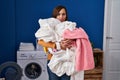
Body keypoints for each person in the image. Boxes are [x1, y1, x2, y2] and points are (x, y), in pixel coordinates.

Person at [37, 5, 73, 80]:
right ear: (55, 15)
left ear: (66, 15)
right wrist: (58, 45)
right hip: (52, 59)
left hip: (67, 61)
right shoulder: (49, 26)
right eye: (58, 14)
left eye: (63, 14)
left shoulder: (69, 26)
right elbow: (40, 42)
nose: (61, 17)